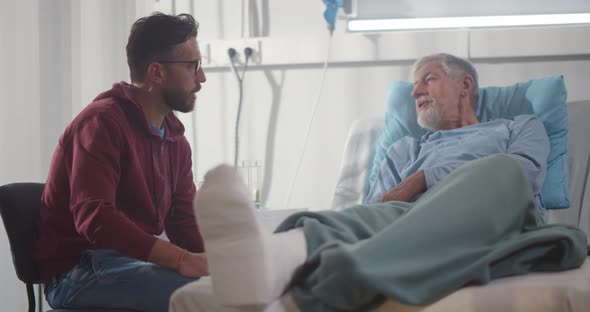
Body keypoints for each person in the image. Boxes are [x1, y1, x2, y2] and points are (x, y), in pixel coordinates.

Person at [169, 54, 587, 312]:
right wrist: (409, 190)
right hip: (409, 217)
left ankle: (327, 289)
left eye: (428, 79)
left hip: (496, 216)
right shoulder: (402, 149)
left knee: (503, 172)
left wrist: (423, 179)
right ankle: (267, 261)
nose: (415, 91)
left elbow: (526, 172)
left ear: (465, 86)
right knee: (363, 216)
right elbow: (376, 210)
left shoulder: (517, 126)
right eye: (414, 84)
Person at [33, 12, 208, 312]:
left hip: (128, 264)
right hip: (76, 273)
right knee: (207, 296)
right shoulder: (102, 123)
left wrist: (224, 263)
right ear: (156, 72)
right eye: (193, 66)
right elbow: (96, 218)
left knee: (233, 286)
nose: (201, 77)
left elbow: (182, 220)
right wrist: (182, 260)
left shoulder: (175, 139)